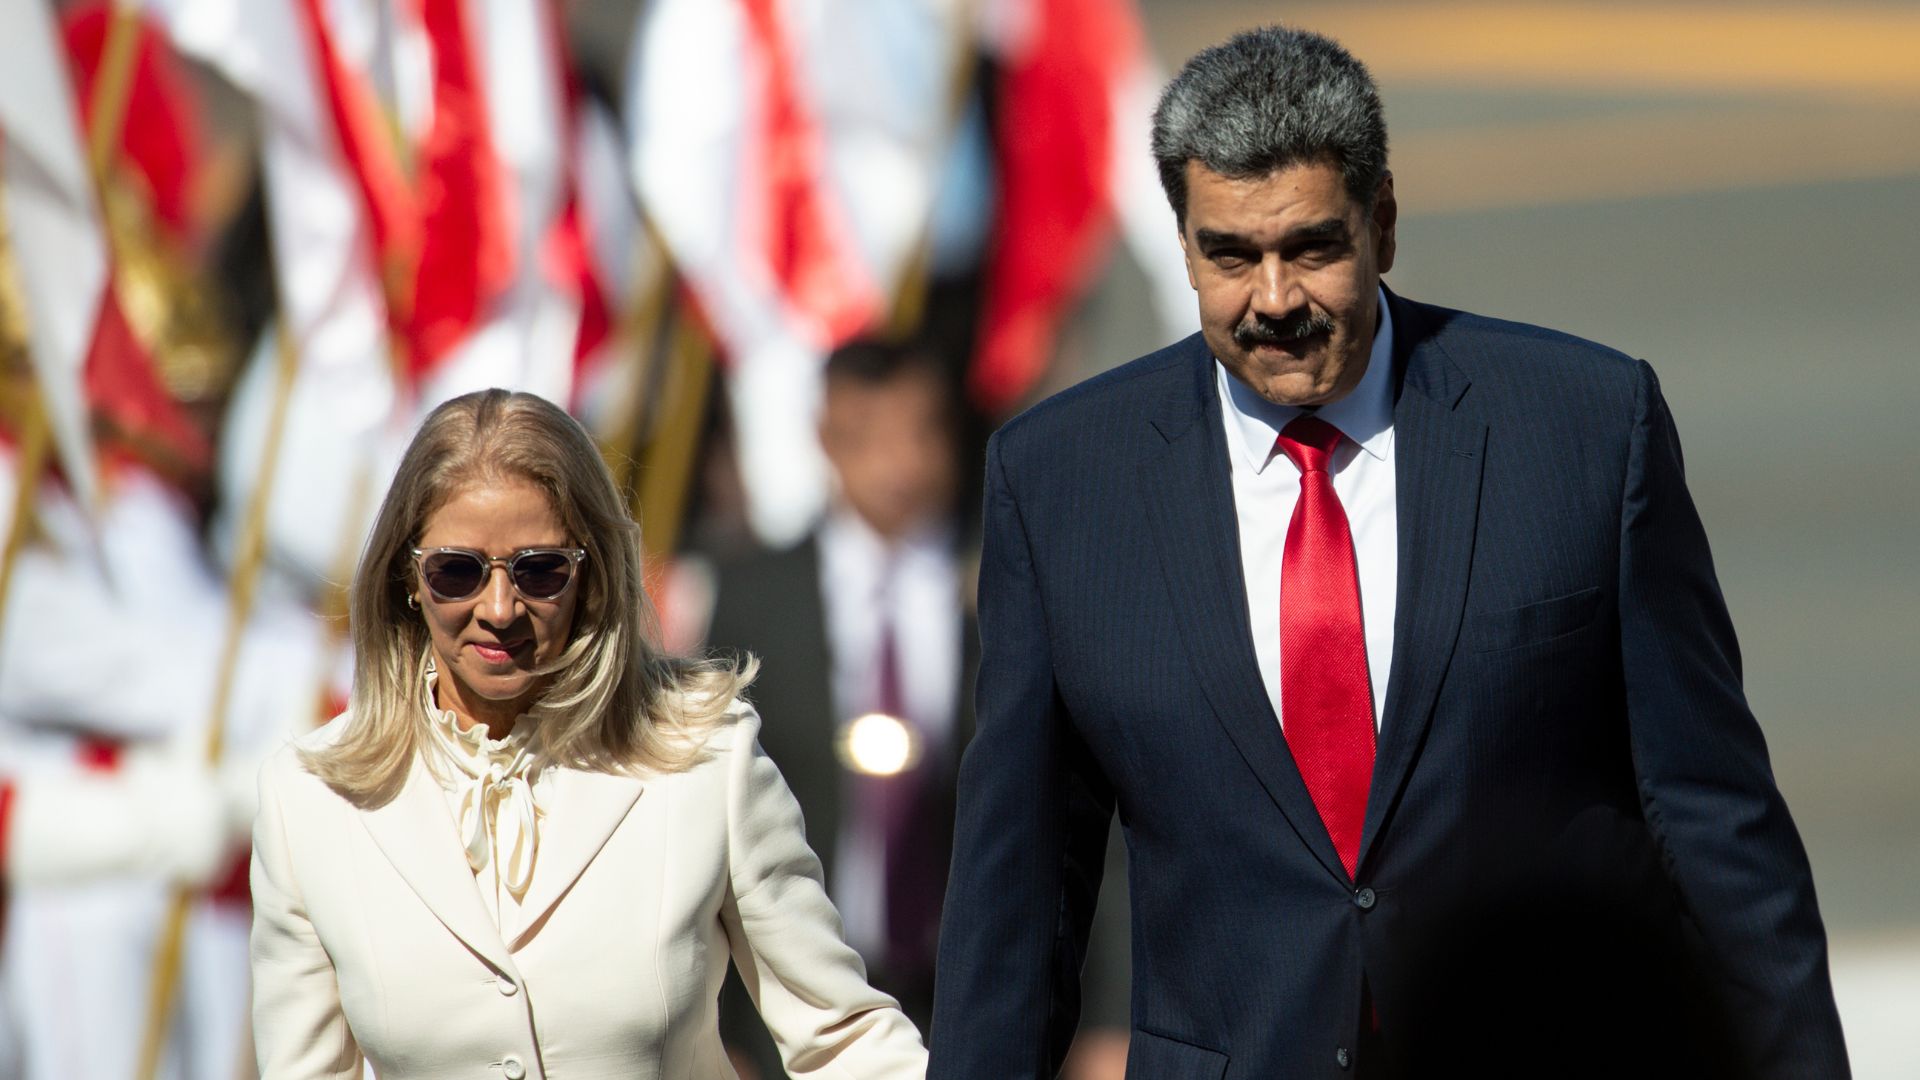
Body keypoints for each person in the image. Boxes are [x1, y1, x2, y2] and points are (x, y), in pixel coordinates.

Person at [929, 25, 1850, 1080]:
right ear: (1181, 245)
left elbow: (1716, 829)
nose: (1275, 300)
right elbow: (1018, 896)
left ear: (1385, 224)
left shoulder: (1587, 429)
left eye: (1312, 248)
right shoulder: (1059, 482)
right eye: (1230, 256)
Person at [249, 389, 926, 1079]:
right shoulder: (307, 801)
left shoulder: (705, 755)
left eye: (539, 570)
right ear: (408, 578)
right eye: (457, 571)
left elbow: (843, 1040)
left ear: (591, 574)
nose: (500, 608)